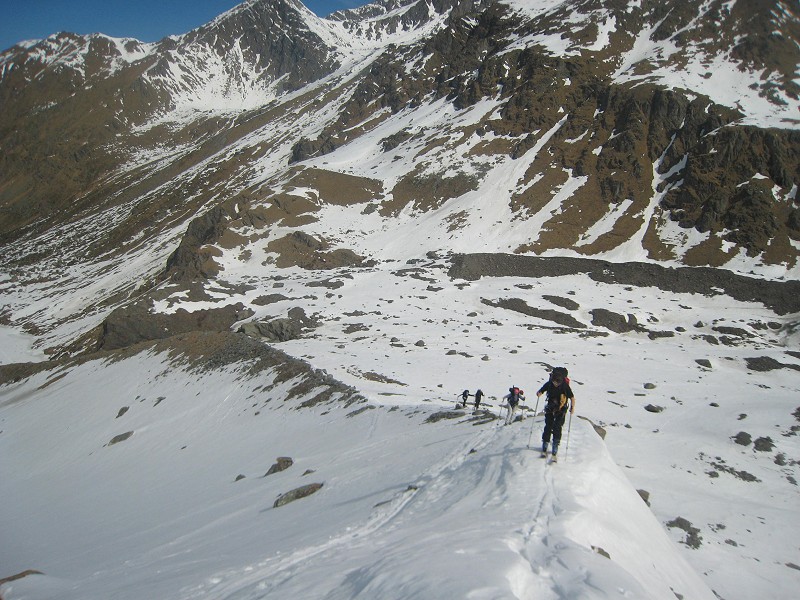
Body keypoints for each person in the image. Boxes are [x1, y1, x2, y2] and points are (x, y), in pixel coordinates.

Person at [537, 371, 575, 459]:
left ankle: (555, 445)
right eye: (554, 382)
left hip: (561, 410)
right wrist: (539, 393)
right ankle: (546, 444)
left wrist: (572, 408)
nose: (555, 384)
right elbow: (541, 390)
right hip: (550, 408)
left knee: (557, 426)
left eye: (556, 382)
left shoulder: (565, 386)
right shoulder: (550, 383)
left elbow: (572, 398)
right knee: (549, 425)